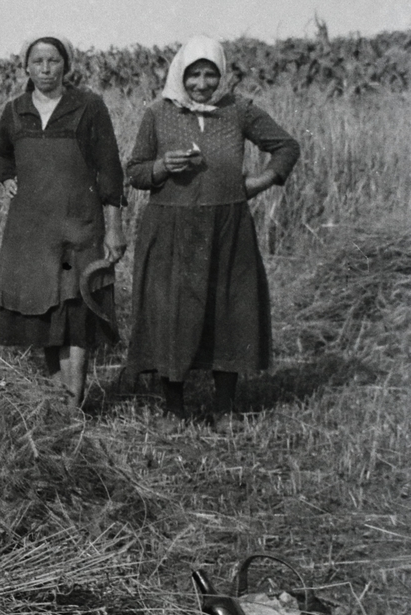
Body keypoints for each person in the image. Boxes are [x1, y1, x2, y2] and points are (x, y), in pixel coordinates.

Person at [125, 37, 300, 423]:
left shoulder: (239, 110)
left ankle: (225, 408)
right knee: (172, 311)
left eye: (210, 74)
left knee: (229, 310)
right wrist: (160, 167)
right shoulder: (158, 113)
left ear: (221, 75)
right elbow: (135, 172)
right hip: (171, 225)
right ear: (179, 75)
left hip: (227, 226)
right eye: (193, 74)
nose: (202, 83)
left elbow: (286, 146)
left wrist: (260, 181)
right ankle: (173, 407)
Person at [0, 35, 126, 403]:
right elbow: (0, 149)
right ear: (27, 67)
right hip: (31, 229)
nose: (46, 69)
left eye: (53, 61)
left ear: (66, 65)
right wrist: (6, 177)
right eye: (38, 62)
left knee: (76, 313)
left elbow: (109, 170)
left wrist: (114, 228)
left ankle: (73, 405)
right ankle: (58, 404)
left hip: (79, 225)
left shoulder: (88, 107)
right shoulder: (15, 110)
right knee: (42, 315)